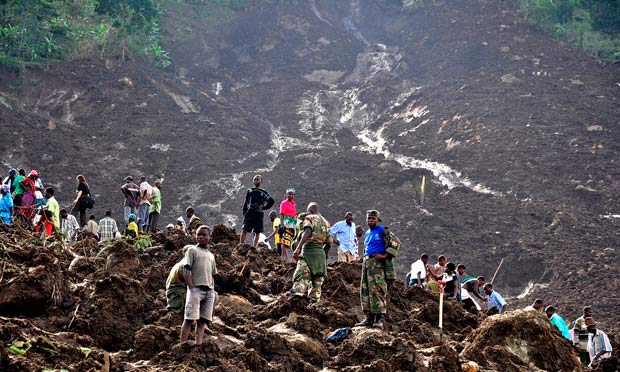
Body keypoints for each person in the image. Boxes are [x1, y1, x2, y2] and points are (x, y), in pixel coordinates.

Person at [357, 210, 401, 328]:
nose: (370, 220)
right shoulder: (367, 233)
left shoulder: (383, 230)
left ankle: (379, 319)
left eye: (373, 218)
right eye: (369, 219)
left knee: (377, 289)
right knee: (365, 289)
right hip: (367, 263)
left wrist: (385, 255)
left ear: (377, 220)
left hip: (377, 264)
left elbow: (396, 243)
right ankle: (369, 318)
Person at [180, 225, 218, 345]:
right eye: (198, 235)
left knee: (202, 322)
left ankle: (198, 346)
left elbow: (213, 274)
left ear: (209, 237)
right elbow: (186, 270)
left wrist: (212, 290)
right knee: (189, 319)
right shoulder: (192, 250)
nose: (200, 237)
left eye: (203, 235)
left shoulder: (211, 256)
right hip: (196, 289)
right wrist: (192, 288)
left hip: (208, 291)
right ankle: (182, 346)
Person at [291, 202, 331, 305]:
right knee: (316, 284)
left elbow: (307, 232)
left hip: (308, 252)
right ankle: (313, 306)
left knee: (300, 277)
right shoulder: (326, 222)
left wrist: (298, 248)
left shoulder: (310, 218)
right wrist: (324, 257)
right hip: (320, 256)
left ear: (310, 211)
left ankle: (297, 303)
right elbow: (328, 243)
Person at [240, 175, 274, 248]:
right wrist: (245, 211)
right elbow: (246, 202)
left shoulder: (263, 192)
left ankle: (254, 247)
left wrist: (264, 207)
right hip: (250, 212)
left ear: (261, 181)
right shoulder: (250, 191)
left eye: (258, 179)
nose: (256, 180)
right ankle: (241, 245)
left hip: (259, 213)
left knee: (257, 231)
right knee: (244, 229)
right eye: (255, 179)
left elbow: (271, 201)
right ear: (253, 181)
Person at [278, 187, 297, 260]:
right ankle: (286, 258)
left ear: (294, 195)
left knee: (289, 240)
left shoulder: (293, 204)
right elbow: (281, 214)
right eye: (289, 194)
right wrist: (282, 224)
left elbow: (294, 214)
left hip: (292, 223)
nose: (290, 196)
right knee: (285, 240)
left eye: (292, 194)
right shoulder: (284, 203)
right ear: (286, 195)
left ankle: (285, 258)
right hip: (286, 222)